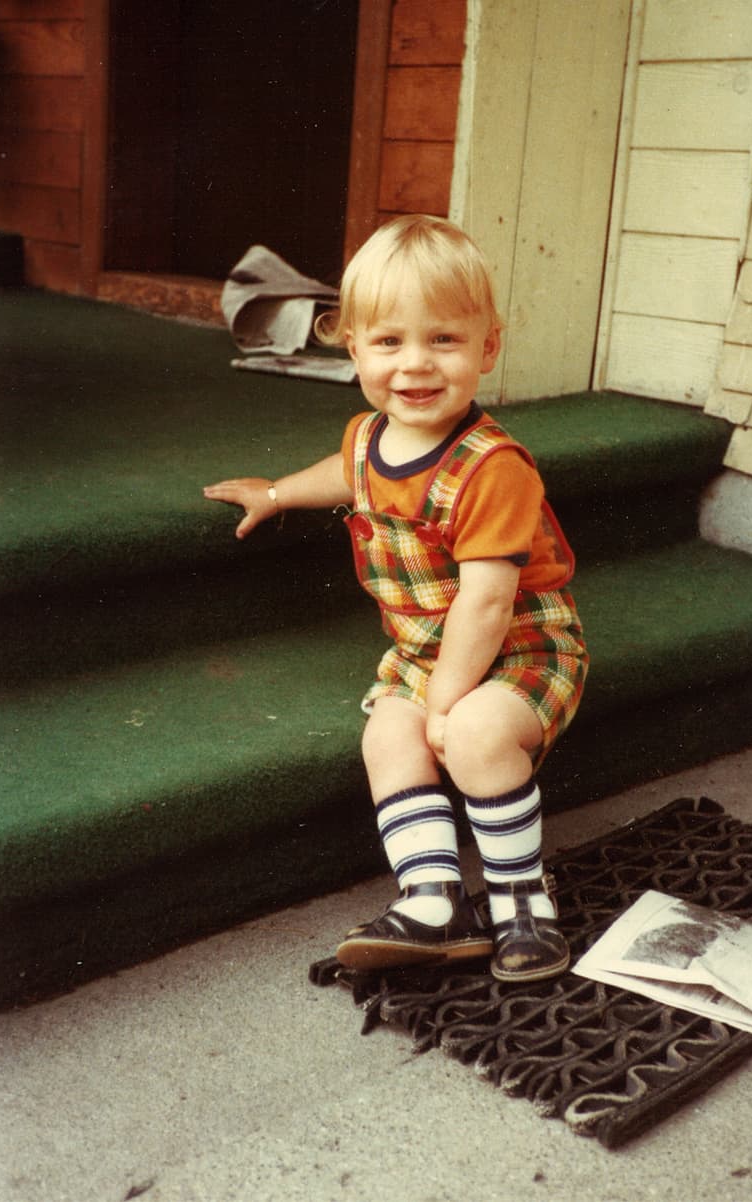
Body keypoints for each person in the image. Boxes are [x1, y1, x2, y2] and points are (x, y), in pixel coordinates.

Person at [204, 215, 588, 982]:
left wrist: (447, 702)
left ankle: (521, 900)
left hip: (517, 645)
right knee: (387, 734)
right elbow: (346, 472)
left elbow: (485, 604)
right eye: (388, 343)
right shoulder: (369, 437)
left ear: (488, 347)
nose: (415, 365)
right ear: (352, 349)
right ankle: (432, 902)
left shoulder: (492, 468)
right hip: (425, 653)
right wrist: (278, 492)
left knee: (475, 735)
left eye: (443, 340)